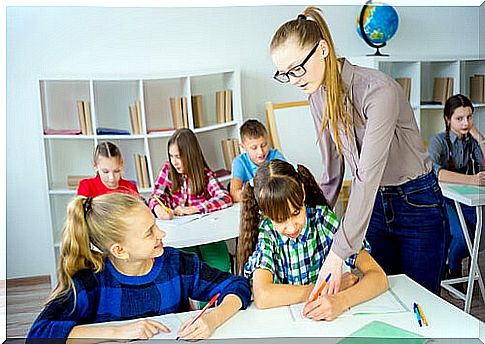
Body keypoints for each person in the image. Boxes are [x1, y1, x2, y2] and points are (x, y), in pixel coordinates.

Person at [269, 6, 448, 295]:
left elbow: (366, 175)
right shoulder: (316, 96)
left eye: (297, 68)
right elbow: (332, 171)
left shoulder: (378, 91)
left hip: (416, 202)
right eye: (285, 74)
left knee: (420, 301)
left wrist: (338, 253)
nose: (294, 80)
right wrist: (313, 219)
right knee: (380, 297)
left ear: (323, 49)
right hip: (374, 204)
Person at [27, 193, 250, 340]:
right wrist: (118, 331)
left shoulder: (177, 264)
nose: (161, 234)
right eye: (149, 232)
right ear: (120, 250)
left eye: (155, 225)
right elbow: (38, 335)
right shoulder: (91, 280)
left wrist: (213, 318)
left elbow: (238, 285)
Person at [238, 159, 388, 320]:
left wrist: (341, 300)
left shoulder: (322, 219)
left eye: (296, 213)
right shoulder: (268, 232)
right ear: (265, 213)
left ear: (302, 192)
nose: (291, 228)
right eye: (280, 220)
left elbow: (379, 277)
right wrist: (325, 290)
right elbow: (263, 295)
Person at [148, 128, 233, 272]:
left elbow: (225, 197)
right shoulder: (167, 170)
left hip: (205, 232)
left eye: (179, 156)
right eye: (171, 156)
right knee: (188, 269)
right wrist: (158, 208)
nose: (174, 161)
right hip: (181, 235)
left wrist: (196, 209)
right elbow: (155, 197)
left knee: (221, 267)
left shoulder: (205, 174)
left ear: (191, 155)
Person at [428, 94, 485, 281]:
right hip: (440, 199)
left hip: (463, 198)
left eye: (469, 117)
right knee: (462, 236)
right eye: (459, 118)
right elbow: (435, 173)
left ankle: (450, 261)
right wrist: (472, 180)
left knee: (481, 230)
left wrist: (480, 138)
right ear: (447, 119)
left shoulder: (472, 141)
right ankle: (452, 268)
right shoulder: (438, 141)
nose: (465, 123)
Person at [230, 119, 285, 202]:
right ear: (243, 147)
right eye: (254, 148)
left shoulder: (276, 156)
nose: (261, 152)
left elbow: (288, 183)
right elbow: (234, 193)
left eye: (264, 145)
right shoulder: (239, 162)